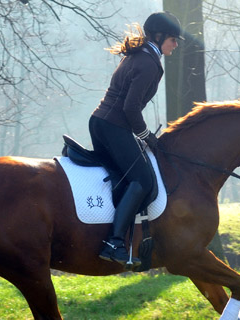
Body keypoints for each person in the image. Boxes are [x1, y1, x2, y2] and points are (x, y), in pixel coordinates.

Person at [90, 11, 183, 267]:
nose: (175, 44)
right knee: (142, 179)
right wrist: (146, 136)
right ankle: (114, 241)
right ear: (160, 36)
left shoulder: (140, 56)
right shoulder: (149, 63)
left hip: (100, 122)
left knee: (125, 177)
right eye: (173, 39)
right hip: (113, 126)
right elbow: (131, 108)